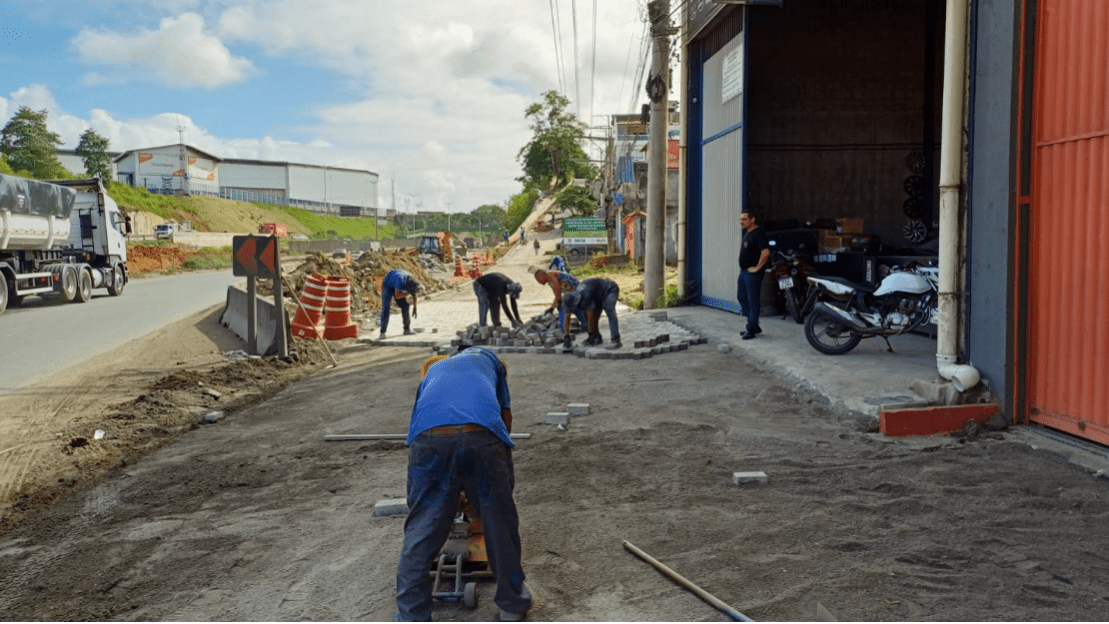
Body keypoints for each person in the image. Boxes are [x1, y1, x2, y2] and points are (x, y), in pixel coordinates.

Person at [393, 347, 532, 622]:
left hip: (429, 438)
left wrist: (443, 494)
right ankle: (512, 605)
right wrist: (487, 490)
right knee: (500, 520)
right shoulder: (492, 362)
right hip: (482, 435)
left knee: (421, 529)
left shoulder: (433, 370)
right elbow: (505, 420)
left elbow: (419, 423)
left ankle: (412, 615)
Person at [736, 208, 770, 340]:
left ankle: (751, 329)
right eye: (740, 219)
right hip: (743, 272)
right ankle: (754, 324)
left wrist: (757, 268)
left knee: (753, 301)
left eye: (744, 219)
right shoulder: (747, 233)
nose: (742, 222)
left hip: (752, 274)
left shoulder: (758, 233)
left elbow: (765, 252)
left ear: (752, 220)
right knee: (741, 297)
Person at [560, 277, 621, 349]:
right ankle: (597, 338)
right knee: (588, 315)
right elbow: (566, 318)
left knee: (609, 309)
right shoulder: (568, 300)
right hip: (596, 294)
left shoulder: (585, 297)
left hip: (609, 289)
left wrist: (590, 333)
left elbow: (590, 316)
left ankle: (616, 339)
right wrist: (566, 337)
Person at [529, 266, 587, 334]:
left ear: (542, 276)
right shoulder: (550, 280)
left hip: (577, 289)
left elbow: (557, 288)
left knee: (564, 308)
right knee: (574, 308)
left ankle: (561, 330)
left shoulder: (550, 275)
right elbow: (557, 296)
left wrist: (560, 302)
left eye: (538, 280)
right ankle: (585, 325)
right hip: (577, 290)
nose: (538, 282)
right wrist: (551, 309)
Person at [380, 269, 420, 339]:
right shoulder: (400, 281)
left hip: (396, 282)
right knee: (386, 308)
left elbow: (414, 296)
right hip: (388, 284)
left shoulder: (412, 282)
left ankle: (406, 329)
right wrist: (407, 293)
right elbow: (397, 295)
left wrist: (415, 308)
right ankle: (382, 332)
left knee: (405, 305)